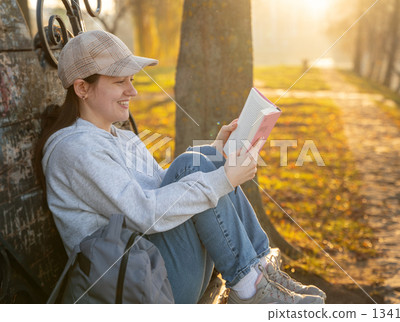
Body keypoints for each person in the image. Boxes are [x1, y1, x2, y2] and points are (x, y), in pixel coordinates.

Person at [34, 30, 326, 304]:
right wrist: (222, 178)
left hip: (157, 269)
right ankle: (250, 289)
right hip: (139, 288)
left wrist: (213, 154)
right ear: (83, 88)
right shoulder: (74, 150)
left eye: (132, 80)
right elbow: (144, 213)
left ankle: (261, 272)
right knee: (197, 165)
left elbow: (163, 185)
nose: (132, 91)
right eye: (119, 82)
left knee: (198, 160)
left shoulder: (120, 136)